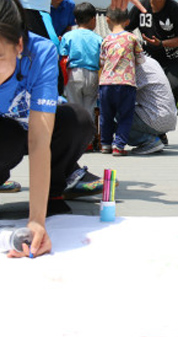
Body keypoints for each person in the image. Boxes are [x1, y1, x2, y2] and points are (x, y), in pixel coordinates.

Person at [0, 0, 103, 257]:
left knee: (77, 120)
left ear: (20, 46)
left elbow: (38, 141)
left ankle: (53, 192)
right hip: (5, 137)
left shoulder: (41, 52)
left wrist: (36, 221)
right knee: (8, 136)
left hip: (35, 128)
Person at [126, 0, 178, 146]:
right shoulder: (141, 8)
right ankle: (147, 125)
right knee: (139, 88)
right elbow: (126, 28)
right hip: (149, 57)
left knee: (174, 86)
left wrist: (161, 43)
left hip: (174, 56)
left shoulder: (175, 9)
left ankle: (161, 128)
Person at [98, 6, 144, 156]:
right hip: (126, 83)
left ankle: (105, 144)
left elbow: (102, 61)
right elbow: (141, 60)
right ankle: (118, 145)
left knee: (106, 115)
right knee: (125, 116)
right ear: (127, 21)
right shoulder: (132, 38)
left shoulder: (105, 40)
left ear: (107, 20)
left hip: (106, 83)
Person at [59, 2, 102, 121]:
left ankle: (74, 136)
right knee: (90, 108)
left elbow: (63, 56)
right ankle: (88, 137)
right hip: (92, 75)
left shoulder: (68, 36)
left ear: (76, 20)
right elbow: (101, 60)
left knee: (74, 107)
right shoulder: (98, 39)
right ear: (93, 19)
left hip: (73, 73)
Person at [127, 53, 177, 154]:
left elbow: (123, 94)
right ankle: (157, 137)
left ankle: (149, 141)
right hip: (169, 118)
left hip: (156, 119)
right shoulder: (151, 61)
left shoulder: (136, 66)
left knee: (116, 110)